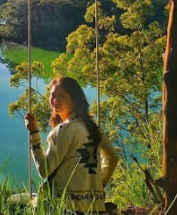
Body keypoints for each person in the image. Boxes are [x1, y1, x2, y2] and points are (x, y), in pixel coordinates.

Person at [24, 76, 119, 213]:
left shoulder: (64, 130)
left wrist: (34, 134)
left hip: (65, 207)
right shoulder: (93, 127)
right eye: (53, 95)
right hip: (94, 207)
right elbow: (112, 158)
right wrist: (99, 184)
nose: (55, 101)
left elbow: (44, 170)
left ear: (74, 100)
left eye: (62, 96)